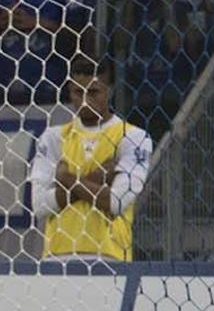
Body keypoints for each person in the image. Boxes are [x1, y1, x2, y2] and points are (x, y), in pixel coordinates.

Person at [28, 59, 153, 260]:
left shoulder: (133, 137)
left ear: (109, 91)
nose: (85, 101)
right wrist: (98, 178)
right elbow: (40, 206)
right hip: (56, 256)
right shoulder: (53, 137)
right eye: (78, 93)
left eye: (93, 92)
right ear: (70, 92)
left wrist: (66, 179)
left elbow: (115, 202)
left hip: (109, 255)